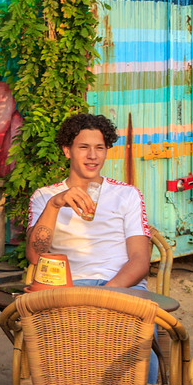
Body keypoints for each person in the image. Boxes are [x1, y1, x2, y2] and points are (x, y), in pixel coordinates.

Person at [26, 113, 152, 292]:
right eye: (84, 147)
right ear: (67, 151)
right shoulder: (45, 196)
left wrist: (105, 292)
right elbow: (34, 256)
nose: (92, 156)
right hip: (67, 287)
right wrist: (54, 206)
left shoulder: (127, 194)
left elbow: (140, 260)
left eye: (99, 148)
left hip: (120, 286)